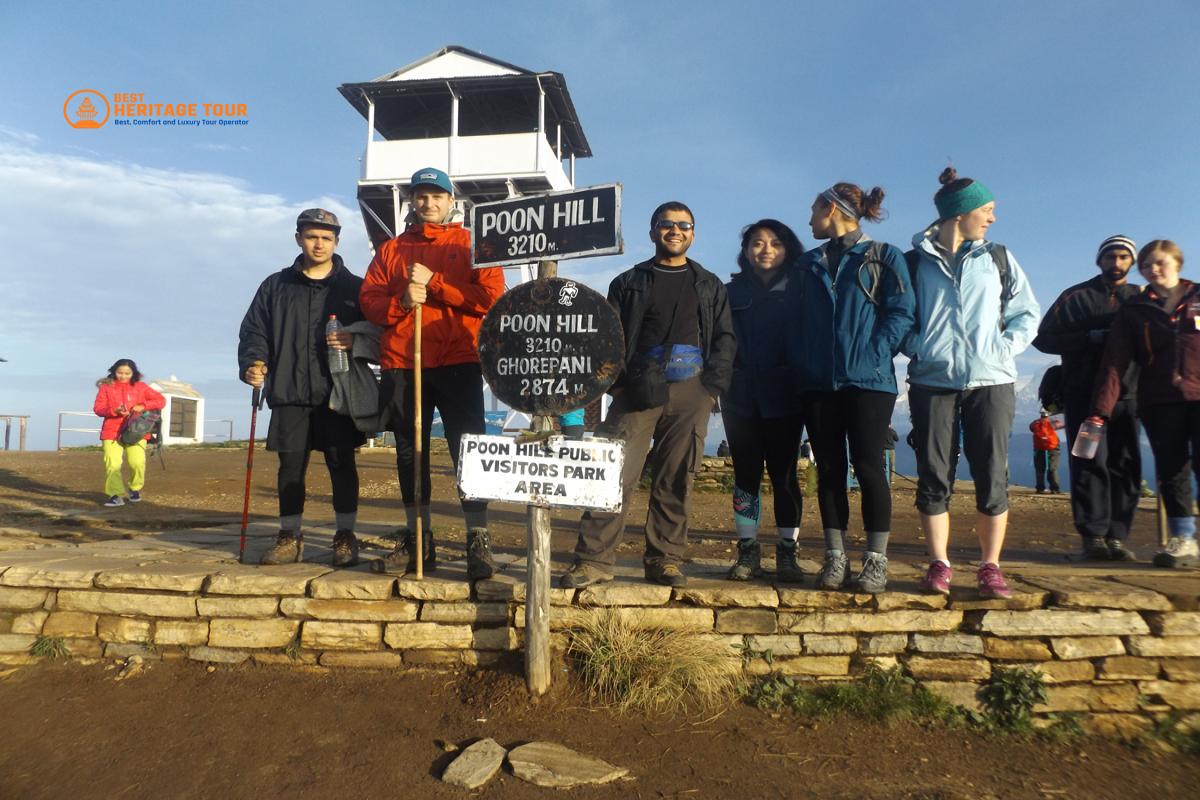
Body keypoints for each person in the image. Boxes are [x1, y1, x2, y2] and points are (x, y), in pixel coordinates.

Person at [558, 201, 735, 588]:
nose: (676, 230)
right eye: (667, 224)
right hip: (635, 389)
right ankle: (593, 560)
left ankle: (665, 560)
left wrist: (710, 390)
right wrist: (619, 385)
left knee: (675, 478)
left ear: (693, 233)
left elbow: (725, 338)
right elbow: (609, 336)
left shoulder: (709, 285)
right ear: (653, 231)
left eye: (684, 224)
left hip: (692, 389)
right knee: (613, 475)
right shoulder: (628, 282)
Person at [360, 167, 505, 579]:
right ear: (413, 202)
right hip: (405, 362)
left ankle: (478, 540)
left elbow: (492, 300)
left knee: (469, 451)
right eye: (421, 196)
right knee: (410, 454)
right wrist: (403, 300)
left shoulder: (473, 243)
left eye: (437, 196)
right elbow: (369, 302)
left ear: (450, 202)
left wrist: (437, 285)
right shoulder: (390, 250)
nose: (429, 203)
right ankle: (417, 541)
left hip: (459, 360)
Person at [904, 168, 1040, 599]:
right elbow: (901, 316)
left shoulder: (998, 256)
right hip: (931, 378)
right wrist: (919, 347)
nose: (993, 219)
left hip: (992, 379)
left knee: (992, 472)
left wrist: (1004, 348)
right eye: (987, 210)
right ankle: (939, 564)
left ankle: (989, 566)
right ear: (959, 213)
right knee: (933, 474)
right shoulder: (913, 263)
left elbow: (1027, 311)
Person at [796, 184, 915, 594]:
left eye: (813, 209)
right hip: (818, 382)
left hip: (870, 382)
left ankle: (876, 562)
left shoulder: (883, 256)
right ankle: (835, 558)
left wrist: (873, 355)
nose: (809, 219)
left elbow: (902, 314)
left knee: (868, 467)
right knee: (827, 469)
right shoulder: (807, 263)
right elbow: (795, 321)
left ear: (831, 208)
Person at [239, 208, 366, 567]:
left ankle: (345, 536)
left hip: (338, 393)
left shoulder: (354, 288)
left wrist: (355, 339)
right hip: (288, 390)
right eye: (312, 236)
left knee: (342, 465)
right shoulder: (275, 285)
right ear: (298, 238)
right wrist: (252, 363)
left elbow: (375, 333)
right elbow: (254, 331)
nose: (319, 243)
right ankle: (288, 536)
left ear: (337, 242)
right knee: (290, 468)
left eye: (327, 238)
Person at [1032, 235, 1142, 560]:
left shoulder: (1139, 298)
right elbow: (1043, 339)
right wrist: (1086, 338)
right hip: (1083, 397)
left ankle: (1118, 537)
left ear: (1131, 262)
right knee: (1087, 461)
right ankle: (1092, 535)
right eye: (1111, 257)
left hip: (1129, 395)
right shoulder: (1075, 297)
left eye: (1123, 257)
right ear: (1100, 261)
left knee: (1125, 463)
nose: (1117, 263)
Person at [1091, 240, 1199, 567]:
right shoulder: (1136, 310)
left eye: (1160, 263)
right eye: (1147, 265)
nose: (1153, 269)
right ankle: (1184, 540)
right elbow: (1115, 362)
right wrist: (1101, 410)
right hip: (1158, 400)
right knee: (1172, 468)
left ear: (1177, 263)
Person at [722, 219, 807, 583]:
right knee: (746, 476)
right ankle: (748, 551)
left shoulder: (801, 291)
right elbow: (718, 342)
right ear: (745, 251)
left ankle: (788, 552)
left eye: (775, 243)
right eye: (757, 243)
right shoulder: (729, 293)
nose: (766, 249)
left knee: (785, 475)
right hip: (740, 397)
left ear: (788, 249)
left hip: (787, 396)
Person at [92, 359, 165, 507]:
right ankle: (115, 495)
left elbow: (161, 400)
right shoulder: (105, 387)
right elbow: (98, 409)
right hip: (111, 431)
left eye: (127, 373)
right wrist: (114, 411)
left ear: (133, 373)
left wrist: (143, 405)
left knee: (137, 463)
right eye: (120, 373)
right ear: (114, 371)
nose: (123, 376)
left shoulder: (141, 387)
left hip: (137, 431)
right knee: (113, 464)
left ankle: (135, 488)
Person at [1029, 410, 1065, 493]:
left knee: (1039, 468)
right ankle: (1055, 488)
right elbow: (1062, 426)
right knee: (1053, 468)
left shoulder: (1035, 423)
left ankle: (1040, 488)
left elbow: (1031, 428)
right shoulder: (1055, 422)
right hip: (1053, 447)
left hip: (1039, 447)